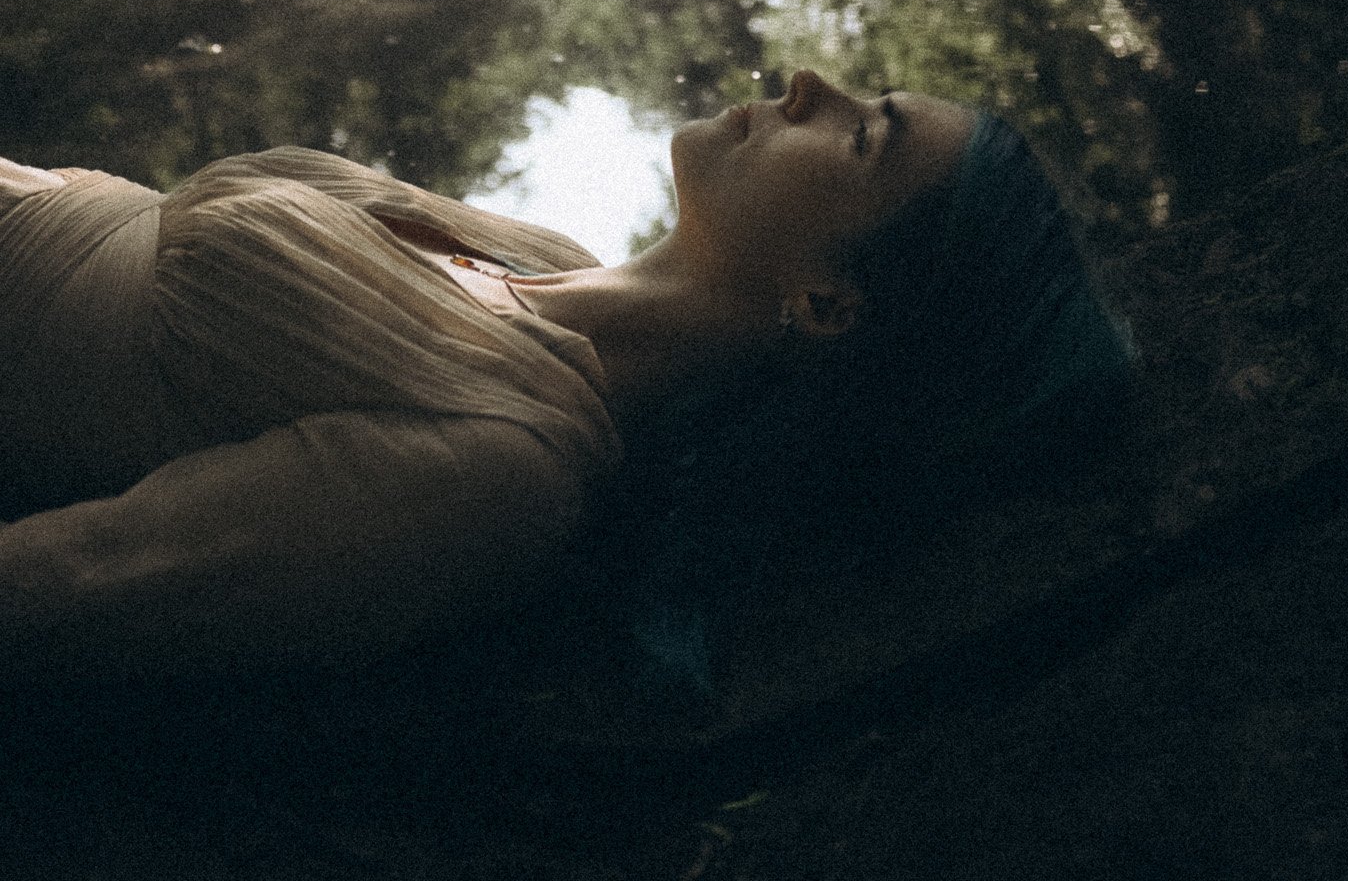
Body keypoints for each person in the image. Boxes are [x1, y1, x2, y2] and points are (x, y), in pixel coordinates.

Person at [0, 70, 1137, 689]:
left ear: (826, 303)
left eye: (860, 137)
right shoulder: (540, 254)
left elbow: (75, 579)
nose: (807, 83)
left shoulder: (495, 473)